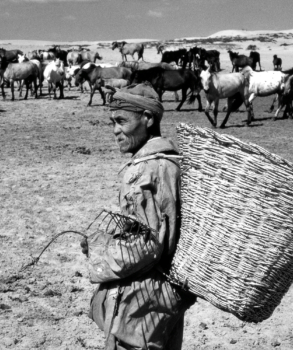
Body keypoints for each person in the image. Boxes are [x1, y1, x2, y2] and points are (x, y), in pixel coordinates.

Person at [81, 83, 195, 350]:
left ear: (148, 118)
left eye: (122, 121)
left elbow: (146, 244)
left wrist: (98, 248)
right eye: (112, 122)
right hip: (169, 295)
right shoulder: (173, 162)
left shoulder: (144, 172)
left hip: (141, 300)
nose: (115, 130)